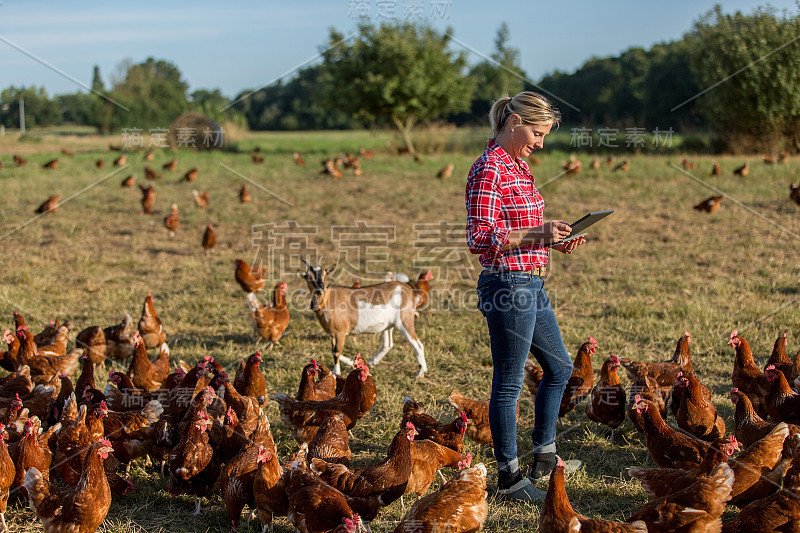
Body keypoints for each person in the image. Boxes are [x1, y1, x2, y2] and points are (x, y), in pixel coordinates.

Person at [465, 91, 584, 502]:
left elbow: (519, 231)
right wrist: (538, 234)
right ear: (514, 121)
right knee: (509, 384)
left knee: (560, 368)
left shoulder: (519, 166)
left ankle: (545, 456)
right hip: (508, 286)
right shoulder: (488, 169)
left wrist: (552, 240)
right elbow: (481, 238)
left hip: (531, 280)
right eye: (537, 133)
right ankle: (510, 479)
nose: (541, 143)